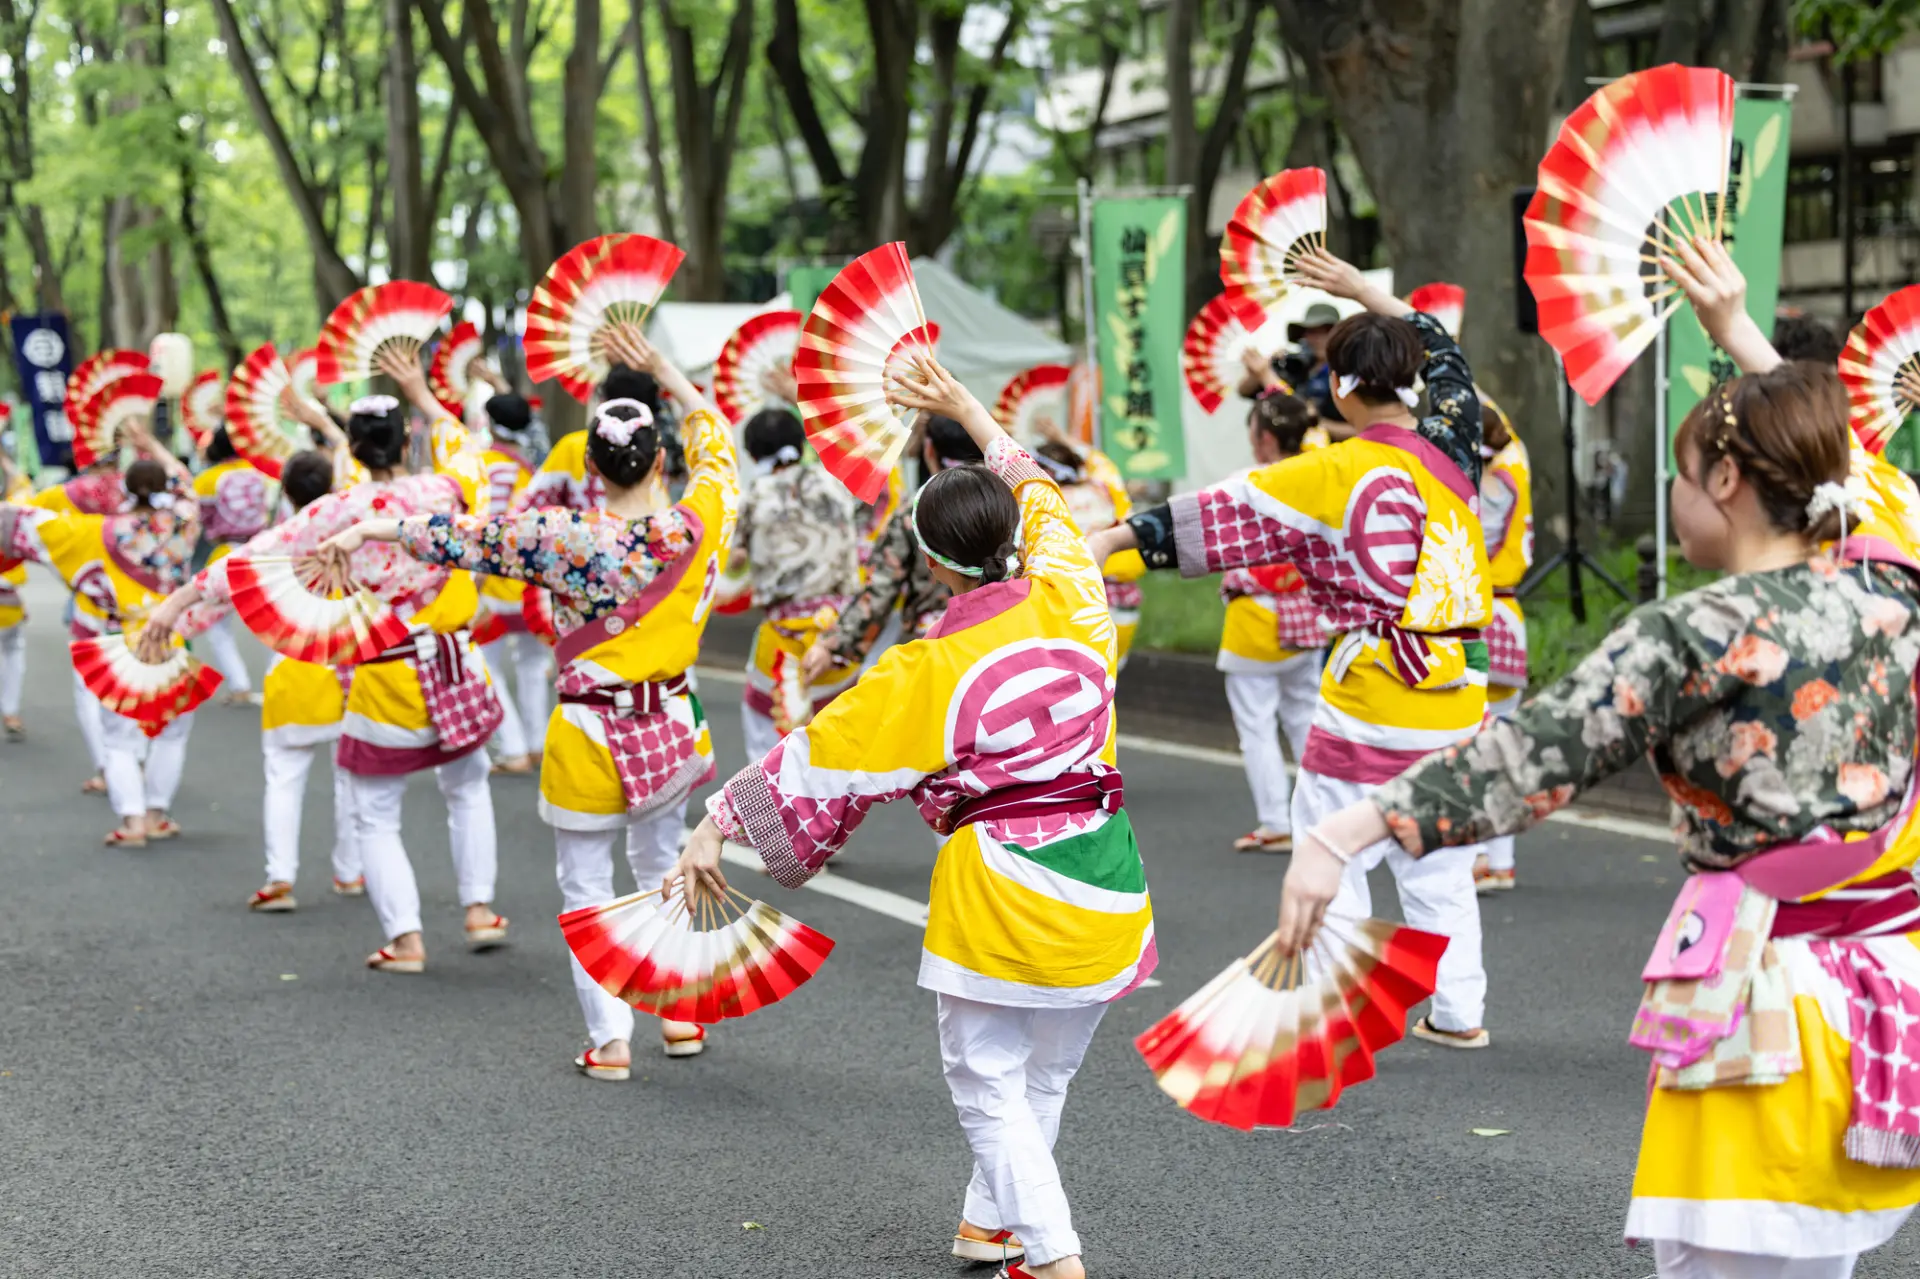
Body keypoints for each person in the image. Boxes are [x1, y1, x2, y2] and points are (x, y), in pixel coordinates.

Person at [1276, 236, 1920, 1279]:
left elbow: (1528, 753)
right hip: (1889, 994)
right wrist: (1735, 332)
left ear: (1719, 475)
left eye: (1681, 475)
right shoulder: (1896, 595)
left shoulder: (1690, 636)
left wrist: (1347, 829)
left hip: (1768, 1012)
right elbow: (1861, 484)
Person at [671, 351, 1153, 1279]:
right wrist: (968, 404)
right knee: (1043, 1075)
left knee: (983, 1077)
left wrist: (715, 823)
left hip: (1004, 884)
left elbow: (820, 754)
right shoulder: (1075, 590)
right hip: (1110, 867)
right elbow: (1039, 484)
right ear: (1018, 530)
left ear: (931, 559)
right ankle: (988, 1226)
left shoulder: (928, 666)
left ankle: (1055, 1257)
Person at [1088, 246, 1495, 1049]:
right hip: (1458, 689)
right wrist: (1361, 291)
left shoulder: (1324, 471)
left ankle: (1338, 1009)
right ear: (1414, 381)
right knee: (1439, 860)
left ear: (1339, 387)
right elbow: (1448, 355)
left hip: (1371, 693)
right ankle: (1459, 1012)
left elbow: (1210, 519)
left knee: (1328, 846)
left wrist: (1107, 538)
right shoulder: (1455, 441)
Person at [316, 327, 737, 1072]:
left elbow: (463, 537)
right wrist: (664, 366)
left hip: (588, 732)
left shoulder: (561, 537)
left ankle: (611, 1039)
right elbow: (719, 440)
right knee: (659, 863)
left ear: (591, 470)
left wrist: (375, 525)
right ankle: (679, 1016)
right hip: (670, 720)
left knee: (585, 883)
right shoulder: (699, 519)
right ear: (661, 462)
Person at [145, 349, 508, 970]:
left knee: (375, 811)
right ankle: (478, 911)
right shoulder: (446, 490)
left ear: (354, 453)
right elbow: (468, 444)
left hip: (384, 666)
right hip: (454, 660)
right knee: (468, 789)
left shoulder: (336, 512)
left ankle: (406, 938)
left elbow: (250, 561)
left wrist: (175, 603)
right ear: (403, 443)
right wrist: (420, 390)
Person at [154, 450, 365, 910]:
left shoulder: (282, 542)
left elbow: (227, 577)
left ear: (286, 493)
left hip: (294, 667)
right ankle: (350, 872)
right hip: (353, 669)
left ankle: (280, 877)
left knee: (284, 777)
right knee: (352, 778)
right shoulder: (364, 526)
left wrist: (174, 610)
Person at [1, 416, 200, 846]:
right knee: (171, 733)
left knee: (120, 740)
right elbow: (187, 484)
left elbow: (26, 523)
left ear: (125, 493)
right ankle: (157, 813)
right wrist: (152, 445)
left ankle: (132, 824)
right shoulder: (184, 526)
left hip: (120, 647)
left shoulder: (100, 531)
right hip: (171, 642)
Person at [1216, 390, 1327, 854]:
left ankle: (1275, 820)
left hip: (1253, 618)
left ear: (1262, 438)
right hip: (1307, 615)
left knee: (1257, 728)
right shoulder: (1319, 476)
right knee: (1304, 716)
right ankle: (1317, 816)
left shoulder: (1243, 483)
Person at [799, 414, 985, 683]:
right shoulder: (1013, 501)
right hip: (1002, 637)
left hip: (934, 643)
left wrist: (832, 646)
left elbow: (880, 590)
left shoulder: (915, 513)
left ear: (929, 450)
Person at [734, 404, 861, 761]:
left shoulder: (756, 496)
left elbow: (731, 559)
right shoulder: (836, 485)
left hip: (783, 637)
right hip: (835, 633)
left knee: (767, 747)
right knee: (834, 748)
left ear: (753, 453)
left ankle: (768, 814)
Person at [1473, 394, 1533, 893]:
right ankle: (1498, 857)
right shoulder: (1517, 462)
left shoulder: (1488, 487)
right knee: (1500, 743)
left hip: (1480, 615)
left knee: (1473, 745)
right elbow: (1495, 417)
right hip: (1507, 614)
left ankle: (1485, 856)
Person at [1031, 418, 1149, 670]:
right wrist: (1063, 437)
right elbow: (1101, 463)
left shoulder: (1044, 504)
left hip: (1076, 606)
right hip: (1123, 602)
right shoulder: (1106, 490)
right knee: (1111, 681)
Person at [191, 427, 273, 704]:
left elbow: (198, 521)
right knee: (269, 623)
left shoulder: (206, 480)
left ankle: (240, 686)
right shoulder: (259, 475)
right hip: (261, 553)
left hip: (224, 554)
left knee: (218, 627)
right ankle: (278, 682)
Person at [0, 450, 30, 741]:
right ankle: (10, 710)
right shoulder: (12, 514)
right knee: (12, 653)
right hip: (8, 600)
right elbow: (23, 489)